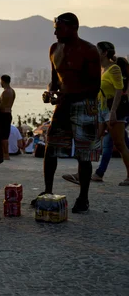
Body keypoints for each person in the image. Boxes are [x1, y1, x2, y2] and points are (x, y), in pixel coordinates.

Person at [32, 13, 101, 214]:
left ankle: (83, 197)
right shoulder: (54, 49)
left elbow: (95, 87)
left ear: (73, 28)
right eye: (55, 28)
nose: (55, 32)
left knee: (84, 154)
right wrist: (50, 92)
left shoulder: (89, 51)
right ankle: (47, 191)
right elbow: (55, 81)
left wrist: (67, 95)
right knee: (50, 148)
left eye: (59, 28)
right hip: (63, 104)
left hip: (84, 105)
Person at [64, 42, 129, 186]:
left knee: (120, 144)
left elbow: (119, 90)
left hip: (113, 111)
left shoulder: (114, 68)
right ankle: (81, 174)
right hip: (101, 110)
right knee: (91, 142)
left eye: (97, 51)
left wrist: (112, 112)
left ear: (105, 53)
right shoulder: (101, 69)